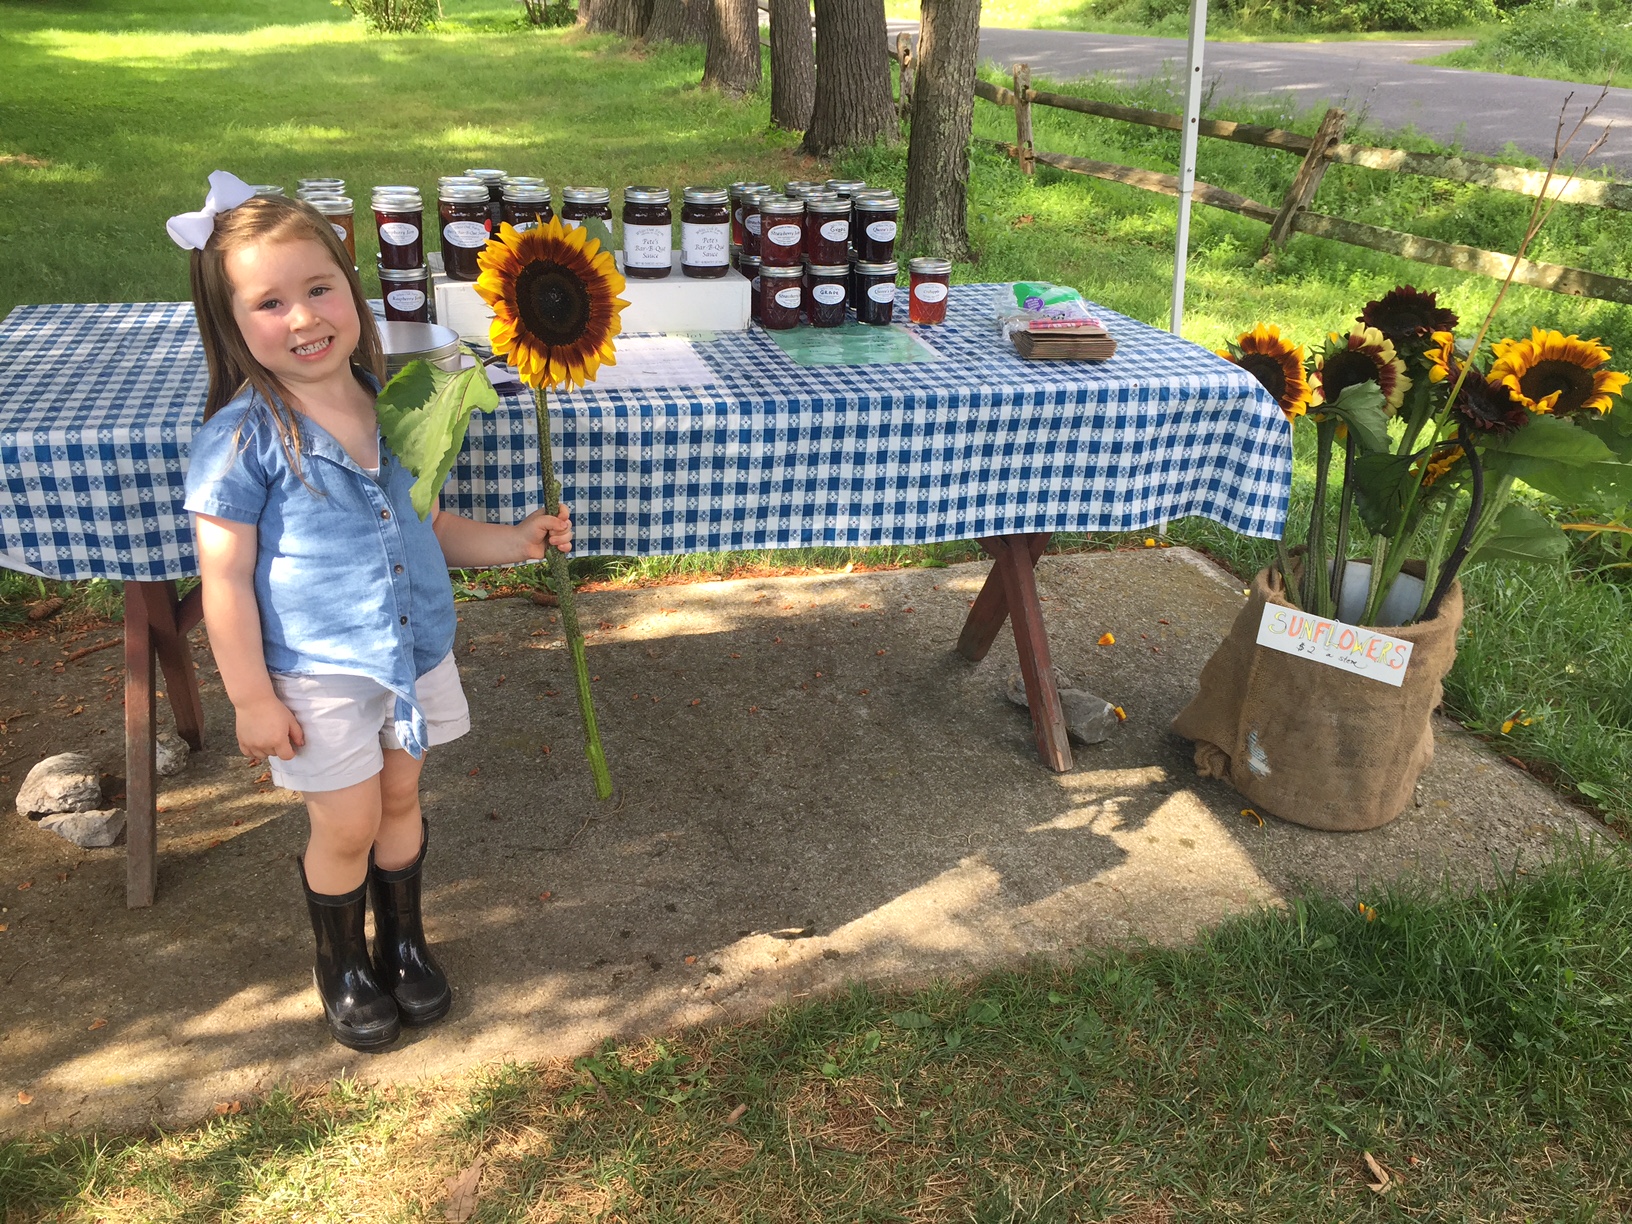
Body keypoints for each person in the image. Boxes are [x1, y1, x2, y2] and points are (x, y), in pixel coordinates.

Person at [171, 172, 572, 1051]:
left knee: (400, 796)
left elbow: (429, 524)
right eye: (270, 303)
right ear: (231, 325)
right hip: (321, 673)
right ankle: (342, 962)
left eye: (320, 289)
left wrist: (514, 540)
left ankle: (403, 941)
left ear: (351, 289)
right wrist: (251, 698)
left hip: (413, 653)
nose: (304, 318)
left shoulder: (390, 404)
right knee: (346, 821)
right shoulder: (242, 438)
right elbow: (224, 581)